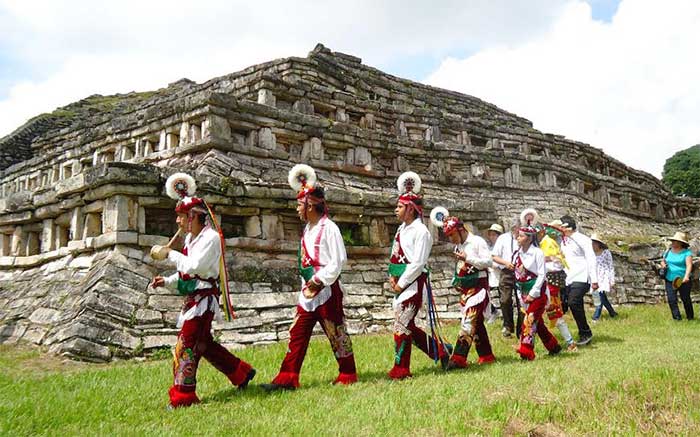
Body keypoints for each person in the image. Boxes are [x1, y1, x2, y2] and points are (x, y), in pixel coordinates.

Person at [151, 173, 255, 408]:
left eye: (181, 217)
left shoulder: (211, 239)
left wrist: (170, 254)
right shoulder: (191, 239)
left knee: (186, 346)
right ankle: (241, 373)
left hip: (204, 302)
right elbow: (188, 274)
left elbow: (195, 267)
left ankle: (183, 396)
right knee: (204, 344)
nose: (178, 222)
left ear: (194, 217)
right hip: (194, 298)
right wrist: (166, 281)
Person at [262, 164, 357, 390]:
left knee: (336, 332)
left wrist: (319, 279)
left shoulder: (329, 228)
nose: (297, 209)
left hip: (326, 290)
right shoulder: (308, 230)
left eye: (299, 204)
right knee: (297, 332)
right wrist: (307, 284)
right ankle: (287, 377)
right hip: (308, 292)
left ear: (310, 205)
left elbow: (338, 260)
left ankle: (348, 372)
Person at [387, 172, 449, 380]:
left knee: (402, 324)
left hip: (412, 283)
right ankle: (441, 351)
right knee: (409, 326)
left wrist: (402, 283)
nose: (396, 209)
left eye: (400, 206)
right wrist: (392, 277)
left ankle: (401, 368)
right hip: (400, 283)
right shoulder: (401, 229)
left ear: (411, 209)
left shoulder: (421, 232)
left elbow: (418, 262)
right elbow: (396, 256)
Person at [430, 207, 496, 369]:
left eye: (452, 234)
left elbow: (488, 262)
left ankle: (458, 358)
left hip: (479, 288)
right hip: (466, 289)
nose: (451, 238)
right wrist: (457, 280)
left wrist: (469, 258)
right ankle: (486, 355)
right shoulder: (458, 246)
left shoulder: (477, 242)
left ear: (460, 230)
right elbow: (461, 266)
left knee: (468, 321)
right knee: (477, 323)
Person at [506, 209, 561, 360]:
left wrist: (533, 292)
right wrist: (521, 294)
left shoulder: (537, 253)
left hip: (537, 293)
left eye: (521, 236)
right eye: (518, 235)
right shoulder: (517, 254)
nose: (518, 238)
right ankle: (553, 346)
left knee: (529, 319)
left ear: (529, 238)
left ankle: (526, 350)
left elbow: (542, 275)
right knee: (538, 323)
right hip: (523, 292)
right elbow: (518, 276)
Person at [537, 221, 577, 351]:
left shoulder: (548, 243)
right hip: (543, 283)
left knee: (554, 313)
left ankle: (570, 342)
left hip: (549, 284)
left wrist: (539, 263)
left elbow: (556, 264)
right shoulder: (542, 244)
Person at [559, 215, 596, 345]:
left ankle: (585, 332)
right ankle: (584, 333)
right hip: (569, 277)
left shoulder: (582, 239)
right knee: (572, 304)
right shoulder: (564, 241)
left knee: (573, 302)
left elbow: (591, 258)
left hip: (582, 275)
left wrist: (594, 279)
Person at [491, 217, 522, 337]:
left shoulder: (524, 237)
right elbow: (494, 256)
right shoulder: (503, 239)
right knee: (505, 299)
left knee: (521, 301)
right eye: (515, 230)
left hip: (520, 272)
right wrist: (506, 263)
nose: (517, 232)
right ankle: (508, 325)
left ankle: (521, 328)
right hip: (506, 272)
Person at [659, 232, 694, 320]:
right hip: (669, 278)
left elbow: (689, 265)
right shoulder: (668, 251)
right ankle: (677, 318)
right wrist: (663, 264)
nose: (674, 243)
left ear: (681, 243)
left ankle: (690, 317)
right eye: (673, 241)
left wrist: (686, 276)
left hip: (683, 279)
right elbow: (663, 261)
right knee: (671, 299)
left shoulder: (687, 253)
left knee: (685, 299)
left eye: (676, 241)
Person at [590, 233, 618, 321]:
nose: (593, 245)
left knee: (600, 295)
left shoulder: (606, 253)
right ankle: (612, 313)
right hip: (595, 276)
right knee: (601, 296)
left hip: (604, 276)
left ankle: (596, 316)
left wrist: (611, 280)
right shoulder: (591, 253)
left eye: (594, 243)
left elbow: (610, 266)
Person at [486, 224, 504, 323]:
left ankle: (505, 317)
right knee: (486, 295)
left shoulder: (503, 247)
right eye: (491, 235)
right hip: (490, 275)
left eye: (494, 235)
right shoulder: (489, 247)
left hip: (500, 274)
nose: (492, 237)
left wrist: (494, 265)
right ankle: (494, 311)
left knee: (503, 297)